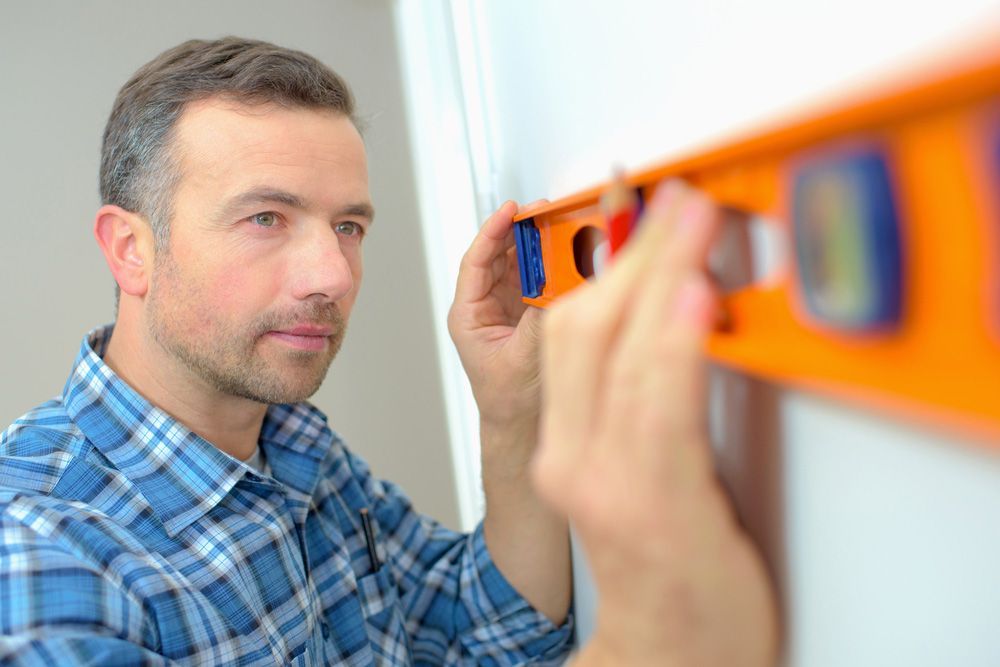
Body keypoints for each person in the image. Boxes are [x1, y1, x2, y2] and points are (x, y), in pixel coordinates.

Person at [0, 37, 776, 665]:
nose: (333, 275)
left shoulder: (296, 448)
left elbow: (482, 628)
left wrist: (508, 414)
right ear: (130, 249)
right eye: (267, 218)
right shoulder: (39, 548)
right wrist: (652, 645)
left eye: (348, 226)